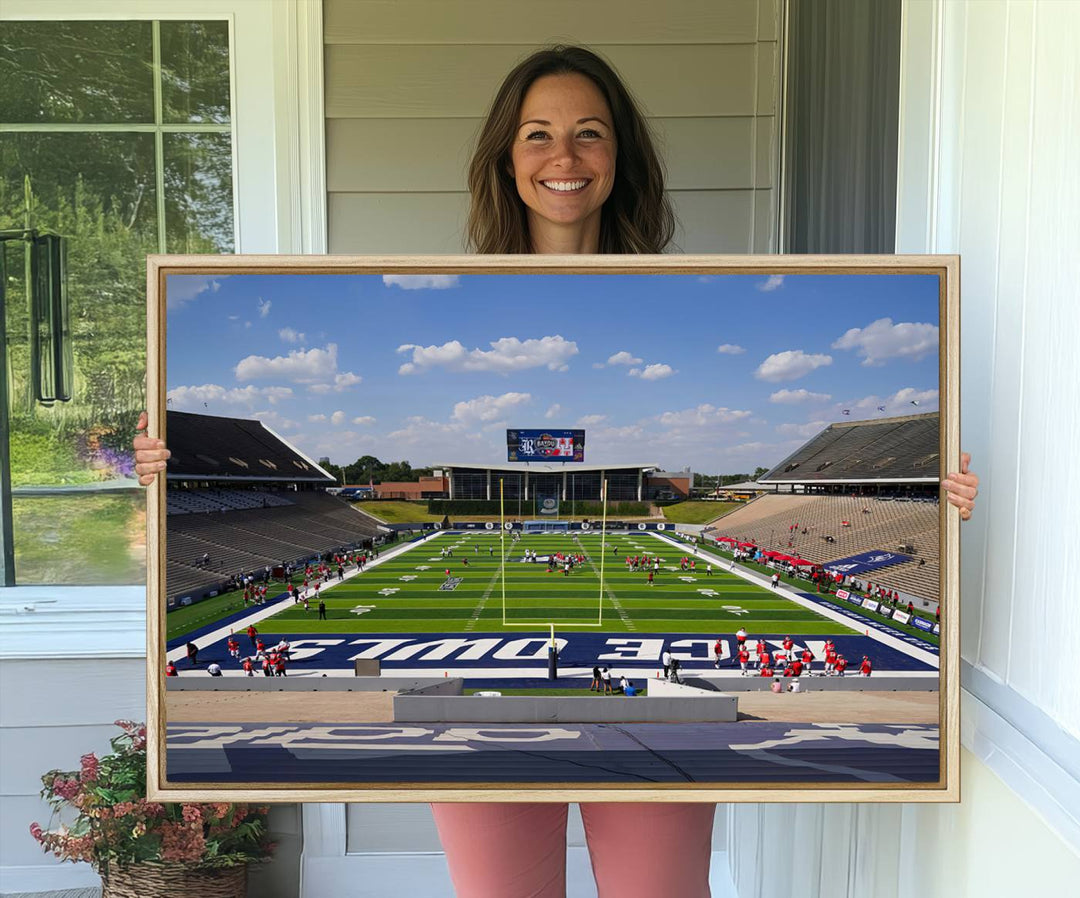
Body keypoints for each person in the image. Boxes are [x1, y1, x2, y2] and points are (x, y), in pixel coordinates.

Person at [133, 43, 982, 898]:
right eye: (537, 134)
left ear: (621, 157)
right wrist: (162, 473)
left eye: (589, 133)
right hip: (479, 715)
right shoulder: (461, 298)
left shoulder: (680, 295)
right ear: (506, 157)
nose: (563, 157)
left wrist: (929, 499)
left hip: (651, 714)